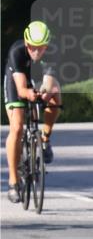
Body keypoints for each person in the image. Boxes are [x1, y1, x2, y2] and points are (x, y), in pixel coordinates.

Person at [4, 21, 61, 203]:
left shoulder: (52, 52)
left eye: (41, 48)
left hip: (37, 79)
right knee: (17, 127)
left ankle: (45, 138)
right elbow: (21, 90)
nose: (36, 52)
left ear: (47, 45)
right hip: (17, 80)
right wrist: (29, 94)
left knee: (55, 95)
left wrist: (43, 94)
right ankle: (13, 181)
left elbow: (49, 83)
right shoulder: (17, 51)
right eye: (32, 47)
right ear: (26, 43)